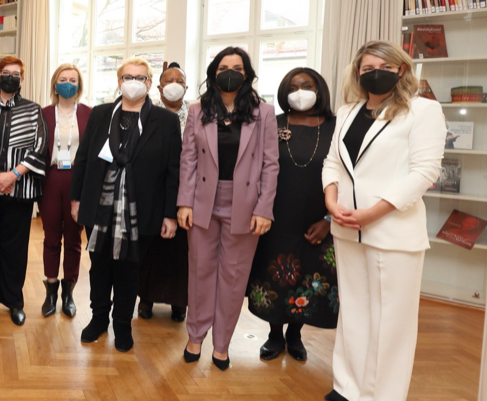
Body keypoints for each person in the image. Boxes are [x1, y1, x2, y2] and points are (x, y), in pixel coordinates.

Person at [322, 40, 445, 401]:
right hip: (347, 228)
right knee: (354, 308)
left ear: (401, 70)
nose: (374, 71)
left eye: (383, 65)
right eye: (366, 66)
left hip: (393, 229)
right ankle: (349, 385)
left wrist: (373, 212)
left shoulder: (422, 111)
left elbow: (424, 173)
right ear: (357, 73)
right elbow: (331, 163)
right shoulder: (347, 111)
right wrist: (330, 201)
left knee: (393, 318)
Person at [70, 58, 182, 352]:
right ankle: (98, 320)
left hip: (142, 210)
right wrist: (76, 199)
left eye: (141, 77)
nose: (134, 81)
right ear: (119, 81)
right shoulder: (100, 114)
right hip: (98, 205)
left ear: (149, 84)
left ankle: (122, 324)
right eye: (128, 76)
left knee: (130, 270)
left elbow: (174, 171)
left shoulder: (166, 121)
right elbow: (83, 159)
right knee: (99, 267)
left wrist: (170, 214)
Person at [178, 47, 278, 370]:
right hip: (203, 201)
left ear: (247, 74)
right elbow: (188, 161)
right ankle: (195, 336)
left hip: (246, 205)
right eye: (224, 67)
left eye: (237, 67)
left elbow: (270, 165)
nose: (230, 72)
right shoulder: (197, 110)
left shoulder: (263, 113)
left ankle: (222, 344)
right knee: (200, 272)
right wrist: (184, 202)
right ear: (213, 72)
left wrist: (264, 209)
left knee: (233, 277)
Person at [247, 68, 338, 362]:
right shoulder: (272, 124)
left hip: (318, 220)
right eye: (294, 87)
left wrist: (328, 220)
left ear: (319, 89)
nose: (300, 92)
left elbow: (349, 178)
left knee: (308, 276)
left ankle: (295, 336)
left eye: (307, 85)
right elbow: (256, 168)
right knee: (275, 277)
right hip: (275, 217)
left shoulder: (336, 127)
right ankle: (275, 335)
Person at [0, 56, 47, 327]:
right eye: (6, 72)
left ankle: (14, 301)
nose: (11, 77)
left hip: (19, 191)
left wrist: (13, 175)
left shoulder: (33, 109)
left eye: (16, 74)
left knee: (15, 249)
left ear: (22, 79)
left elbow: (40, 147)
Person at [138, 61, 191, 323]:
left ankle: (179, 302)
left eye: (179, 82)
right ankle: (146, 298)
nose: (174, 87)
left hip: (189, 191)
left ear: (186, 87)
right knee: (152, 246)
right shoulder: (149, 115)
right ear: (158, 88)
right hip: (156, 191)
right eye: (168, 82)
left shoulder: (197, 114)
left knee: (181, 251)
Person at [40, 63, 91, 317]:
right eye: (63, 78)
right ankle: (50, 290)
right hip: (50, 180)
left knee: (73, 239)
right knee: (51, 237)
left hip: (77, 180)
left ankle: (68, 293)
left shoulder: (90, 114)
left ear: (79, 85)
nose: (68, 83)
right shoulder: (44, 113)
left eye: (72, 79)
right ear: (55, 84)